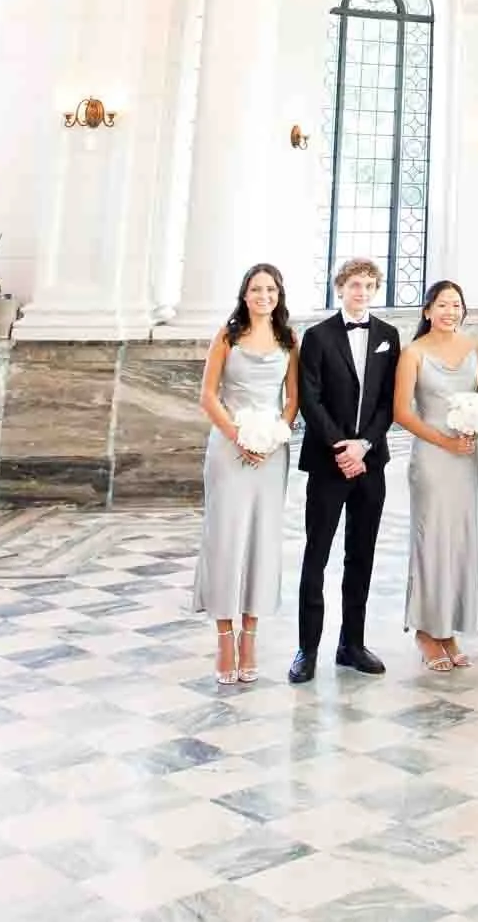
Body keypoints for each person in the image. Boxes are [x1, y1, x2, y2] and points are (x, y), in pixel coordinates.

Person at [290, 256, 400, 682]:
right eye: (355, 284)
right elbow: (309, 399)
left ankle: (351, 644)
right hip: (328, 461)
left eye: (370, 285)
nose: (362, 292)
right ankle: (306, 649)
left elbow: (389, 399)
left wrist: (365, 444)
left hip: (371, 462)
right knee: (316, 554)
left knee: (362, 553)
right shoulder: (318, 337)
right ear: (340, 288)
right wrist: (342, 445)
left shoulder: (389, 336)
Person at [192, 262, 299, 685]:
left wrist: (273, 438)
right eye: (256, 290)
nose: (264, 296)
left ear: (279, 295)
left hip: (271, 455)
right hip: (229, 448)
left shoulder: (290, 339)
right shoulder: (227, 335)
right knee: (226, 538)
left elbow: (292, 399)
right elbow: (207, 395)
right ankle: (223, 637)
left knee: (261, 541)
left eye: (270, 290)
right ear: (245, 294)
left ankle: (250, 637)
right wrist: (238, 436)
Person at [393, 277, 478, 671]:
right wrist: (444, 441)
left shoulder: (477, 349)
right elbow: (402, 413)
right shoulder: (413, 352)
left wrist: (474, 426)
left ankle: (449, 628)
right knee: (431, 539)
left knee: (460, 540)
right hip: (432, 456)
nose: (450, 312)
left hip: (466, 457)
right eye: (442, 305)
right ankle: (426, 631)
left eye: (456, 304)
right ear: (427, 310)